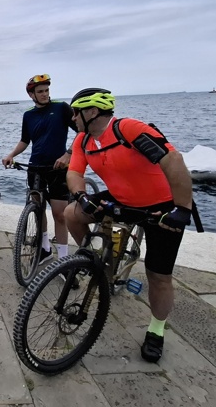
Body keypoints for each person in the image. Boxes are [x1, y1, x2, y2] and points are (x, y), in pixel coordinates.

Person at [64, 88, 194, 364]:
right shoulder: (83, 140)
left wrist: (182, 209)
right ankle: (96, 259)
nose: (72, 118)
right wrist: (81, 197)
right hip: (121, 197)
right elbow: (74, 171)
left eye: (76, 112)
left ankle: (156, 329)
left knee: (158, 276)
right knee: (71, 214)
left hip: (160, 205)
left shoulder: (128, 129)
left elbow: (173, 160)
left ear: (92, 112)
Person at [2, 74, 77, 262]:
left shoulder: (61, 108)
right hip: (35, 168)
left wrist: (68, 153)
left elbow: (82, 132)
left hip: (58, 168)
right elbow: (25, 140)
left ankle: (63, 259)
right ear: (31, 95)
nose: (45, 94)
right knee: (38, 210)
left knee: (60, 215)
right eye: (40, 91)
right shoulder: (28, 115)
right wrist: (11, 155)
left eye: (46, 90)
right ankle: (44, 249)